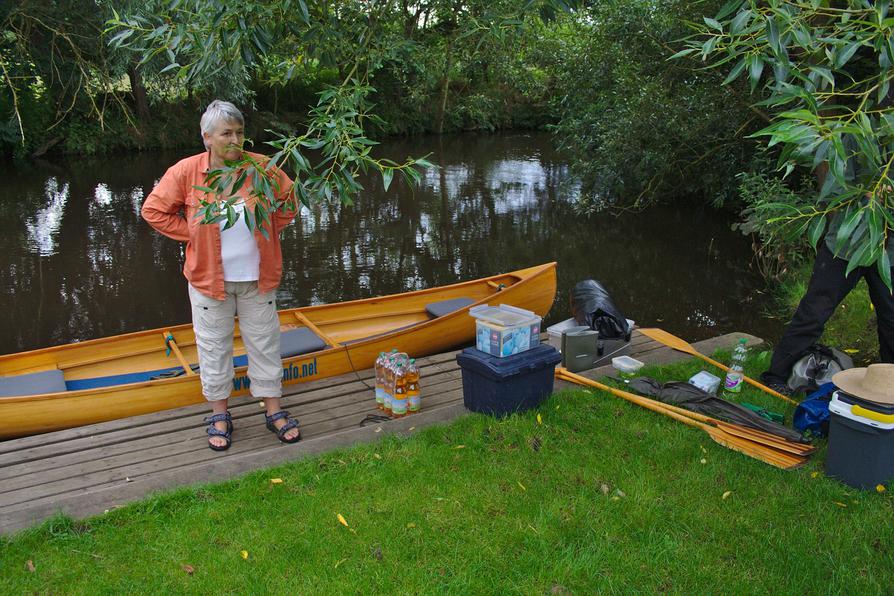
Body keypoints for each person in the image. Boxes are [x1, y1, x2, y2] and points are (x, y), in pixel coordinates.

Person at [141, 100, 301, 451]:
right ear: (207, 138)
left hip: (258, 278)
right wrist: (193, 233)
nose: (235, 140)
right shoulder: (186, 172)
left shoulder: (260, 167)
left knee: (265, 343)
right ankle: (219, 414)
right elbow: (153, 210)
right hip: (208, 281)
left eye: (240, 133)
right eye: (226, 133)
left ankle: (273, 410)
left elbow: (291, 199)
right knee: (213, 348)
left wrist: (271, 228)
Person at [760, 159, 894, 396]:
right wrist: (872, 194)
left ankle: (887, 384)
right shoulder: (859, 132)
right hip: (846, 246)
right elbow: (838, 190)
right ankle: (776, 376)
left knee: (892, 319)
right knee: (813, 312)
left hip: (888, 253)